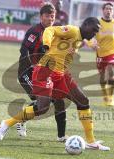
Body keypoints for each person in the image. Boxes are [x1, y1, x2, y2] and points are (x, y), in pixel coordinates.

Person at [0, 17, 110, 151]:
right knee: (42, 108)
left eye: (96, 32)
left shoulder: (80, 38)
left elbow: (73, 45)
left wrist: (93, 44)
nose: (94, 33)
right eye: (93, 30)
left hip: (60, 74)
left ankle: (91, 142)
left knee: (83, 101)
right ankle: (6, 123)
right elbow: (50, 30)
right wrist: (46, 44)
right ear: (85, 25)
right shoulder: (73, 30)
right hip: (45, 70)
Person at [16, 3, 68, 142]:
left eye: (52, 16)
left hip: (45, 73)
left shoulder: (55, 32)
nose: (50, 19)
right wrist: (32, 66)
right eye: (47, 16)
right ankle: (20, 120)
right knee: (40, 101)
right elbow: (24, 50)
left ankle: (61, 136)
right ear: (41, 16)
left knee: (57, 99)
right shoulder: (35, 31)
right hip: (27, 71)